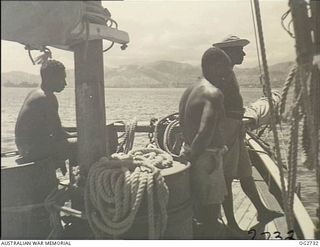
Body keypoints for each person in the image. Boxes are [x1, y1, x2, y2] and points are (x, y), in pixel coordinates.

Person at [212, 35, 283, 234]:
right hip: (226, 133)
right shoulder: (220, 76)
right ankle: (232, 224)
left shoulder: (228, 73)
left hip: (236, 130)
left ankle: (262, 210)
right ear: (228, 53)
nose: (243, 53)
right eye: (239, 50)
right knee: (226, 178)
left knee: (245, 172)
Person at [179, 47, 233, 239]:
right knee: (210, 217)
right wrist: (195, 160)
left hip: (190, 153)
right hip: (205, 159)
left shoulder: (190, 89)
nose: (227, 76)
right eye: (225, 70)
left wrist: (186, 160)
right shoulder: (213, 93)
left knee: (196, 211)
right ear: (212, 66)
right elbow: (204, 133)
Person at [15, 59, 76, 174]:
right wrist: (85, 135)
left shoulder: (36, 92)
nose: (65, 83)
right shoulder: (46, 98)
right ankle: (81, 181)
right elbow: (59, 134)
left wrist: (79, 129)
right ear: (50, 78)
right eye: (62, 78)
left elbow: (56, 129)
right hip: (33, 151)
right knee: (81, 143)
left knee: (77, 138)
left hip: (25, 148)